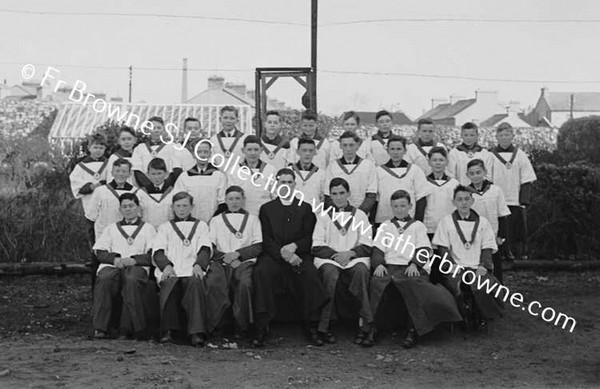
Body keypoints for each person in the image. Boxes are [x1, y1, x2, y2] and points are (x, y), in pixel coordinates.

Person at [370, 190, 462, 348]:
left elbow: (424, 249)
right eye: (396, 206)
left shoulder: (418, 226)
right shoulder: (386, 226)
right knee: (377, 283)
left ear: (410, 206)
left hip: (410, 266)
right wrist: (379, 264)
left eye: (403, 206)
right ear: (391, 207)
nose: (399, 209)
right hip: (390, 265)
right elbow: (378, 249)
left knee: (413, 285)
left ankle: (413, 330)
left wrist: (414, 264)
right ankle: (373, 327)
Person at [252, 168, 327, 347]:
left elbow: (309, 236)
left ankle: (312, 326)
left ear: (295, 185)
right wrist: (283, 254)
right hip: (274, 256)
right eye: (282, 182)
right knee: (262, 273)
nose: (285, 186)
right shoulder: (267, 209)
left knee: (310, 275)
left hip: (299, 255)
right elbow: (266, 238)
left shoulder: (305, 207)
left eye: (289, 182)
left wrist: (295, 248)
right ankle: (261, 327)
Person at [152, 192, 228, 346]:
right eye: (178, 206)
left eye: (185, 205)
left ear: (191, 207)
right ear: (173, 207)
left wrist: (199, 265)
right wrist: (166, 266)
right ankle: (169, 331)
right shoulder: (165, 227)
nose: (181, 209)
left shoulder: (201, 225)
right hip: (172, 267)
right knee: (169, 283)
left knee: (195, 283)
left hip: (192, 267)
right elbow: (158, 251)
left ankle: (196, 332)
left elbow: (205, 248)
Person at [312, 178, 374, 346]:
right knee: (330, 274)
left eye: (342, 193)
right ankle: (325, 325)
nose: (338, 197)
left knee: (361, 272)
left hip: (354, 258)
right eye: (334, 194)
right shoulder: (324, 216)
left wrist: (350, 253)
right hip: (331, 259)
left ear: (348, 194)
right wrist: (336, 255)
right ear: (330, 196)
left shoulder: (360, 215)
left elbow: (367, 243)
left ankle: (365, 324)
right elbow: (317, 245)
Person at [433, 185, 504, 330]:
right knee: (457, 286)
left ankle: (480, 315)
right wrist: (451, 265)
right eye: (459, 200)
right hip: (456, 267)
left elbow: (487, 247)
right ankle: (463, 315)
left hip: (477, 267)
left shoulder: (483, 222)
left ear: (472, 201)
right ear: (453, 202)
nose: (463, 203)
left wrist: (483, 265)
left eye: (466, 199)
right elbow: (443, 247)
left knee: (485, 286)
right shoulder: (446, 222)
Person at [92, 192, 156, 339]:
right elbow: (99, 251)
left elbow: (153, 253)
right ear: (120, 209)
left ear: (138, 208)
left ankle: (130, 328)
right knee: (105, 278)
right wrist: (114, 259)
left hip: (137, 266)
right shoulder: (111, 228)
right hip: (114, 265)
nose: (128, 209)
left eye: (131, 206)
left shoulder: (148, 228)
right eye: (124, 206)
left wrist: (135, 260)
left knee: (131, 279)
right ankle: (101, 327)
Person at [209, 186, 262, 339]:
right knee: (214, 282)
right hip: (222, 261)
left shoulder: (252, 219)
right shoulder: (216, 220)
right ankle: (218, 324)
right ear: (225, 201)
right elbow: (211, 245)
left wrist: (238, 255)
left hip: (243, 261)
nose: (234, 202)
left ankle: (241, 325)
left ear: (243, 200)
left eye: (238, 198)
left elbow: (258, 245)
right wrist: (225, 257)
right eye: (231, 199)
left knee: (244, 283)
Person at [488, 122, 537, 261]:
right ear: (496, 136)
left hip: (515, 199)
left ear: (512, 136)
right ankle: (500, 253)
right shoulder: (490, 155)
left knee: (516, 228)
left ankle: (517, 254)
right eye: (501, 135)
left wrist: (524, 201)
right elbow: (487, 179)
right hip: (497, 199)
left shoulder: (520, 155)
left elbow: (527, 179)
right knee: (499, 227)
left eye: (507, 134)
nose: (504, 138)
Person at [466, 159, 511, 283]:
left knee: (494, 264)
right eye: (472, 173)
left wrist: (501, 236)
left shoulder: (495, 190)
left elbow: (502, 214)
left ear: (485, 172)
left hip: (493, 234)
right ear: (467, 175)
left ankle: (498, 291)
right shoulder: (466, 193)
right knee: (475, 264)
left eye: (478, 172)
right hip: (472, 236)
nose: (475, 176)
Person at [423, 147, 460, 284]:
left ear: (446, 162)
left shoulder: (454, 183)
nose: (438, 163)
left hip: (449, 230)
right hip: (430, 229)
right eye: (434, 160)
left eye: (441, 160)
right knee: (433, 266)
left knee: (448, 266)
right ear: (429, 162)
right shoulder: (423, 182)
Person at [375, 135, 430, 225]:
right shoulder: (379, 171)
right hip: (384, 218)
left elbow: (421, 198)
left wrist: (418, 221)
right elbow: (375, 198)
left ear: (405, 151)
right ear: (387, 150)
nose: (395, 152)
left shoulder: (415, 170)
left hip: (409, 220)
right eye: (392, 149)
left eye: (399, 149)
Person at [325, 131, 377, 217]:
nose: (348, 149)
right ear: (340, 146)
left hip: (361, 214)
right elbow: (328, 194)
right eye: (345, 145)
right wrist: (338, 212)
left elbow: (371, 193)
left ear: (357, 145)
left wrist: (359, 213)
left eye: (351, 145)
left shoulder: (368, 165)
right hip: (338, 215)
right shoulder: (333, 166)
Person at [69, 133, 109, 245]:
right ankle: (94, 257)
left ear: (105, 149)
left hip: (106, 202)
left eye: (101, 148)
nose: (98, 150)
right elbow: (76, 184)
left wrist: (104, 185)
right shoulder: (81, 166)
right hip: (90, 201)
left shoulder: (108, 164)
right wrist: (92, 186)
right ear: (89, 148)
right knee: (91, 229)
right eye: (95, 147)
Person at [174, 140, 227, 222]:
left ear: (210, 154)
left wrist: (214, 220)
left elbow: (223, 202)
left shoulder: (219, 176)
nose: (202, 155)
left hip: (213, 221)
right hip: (190, 223)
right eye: (198, 152)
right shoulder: (184, 177)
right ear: (193, 154)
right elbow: (179, 202)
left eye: (205, 152)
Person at [86, 158, 138, 241]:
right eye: (117, 171)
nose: (121, 174)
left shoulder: (136, 192)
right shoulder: (100, 191)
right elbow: (91, 216)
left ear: (129, 174)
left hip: (128, 235)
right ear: (112, 173)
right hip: (104, 235)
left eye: (124, 171)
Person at [227, 135, 278, 216]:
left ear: (261, 150)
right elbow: (231, 196)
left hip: (265, 215)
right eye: (249, 149)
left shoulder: (270, 169)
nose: (253, 153)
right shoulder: (234, 170)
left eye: (256, 149)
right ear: (243, 150)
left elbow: (275, 195)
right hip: (242, 214)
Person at [131, 116, 182, 188]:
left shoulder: (172, 147)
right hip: (146, 189)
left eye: (159, 128)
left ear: (164, 130)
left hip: (167, 189)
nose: (156, 130)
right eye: (153, 128)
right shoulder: (140, 148)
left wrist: (164, 187)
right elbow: (137, 171)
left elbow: (176, 169)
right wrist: (150, 187)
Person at [289, 138, 327, 208]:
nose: (307, 153)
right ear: (297, 151)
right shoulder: (289, 172)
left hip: (314, 213)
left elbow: (324, 197)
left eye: (310, 151)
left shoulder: (321, 174)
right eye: (304, 150)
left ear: (315, 152)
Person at [138, 158, 175, 229]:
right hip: (147, 229)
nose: (156, 177)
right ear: (147, 174)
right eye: (153, 174)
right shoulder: (142, 193)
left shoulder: (172, 192)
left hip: (168, 229)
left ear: (166, 174)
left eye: (159, 173)